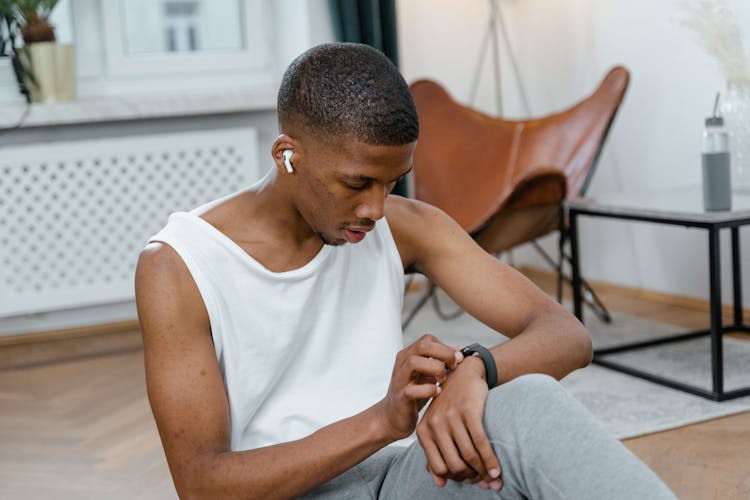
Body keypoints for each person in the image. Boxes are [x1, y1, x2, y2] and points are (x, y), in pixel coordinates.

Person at [135, 42, 675, 499]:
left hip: (399, 478)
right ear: (287, 154)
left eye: (392, 181)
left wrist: (474, 371)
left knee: (525, 408)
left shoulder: (405, 225)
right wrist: (383, 420)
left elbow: (566, 334)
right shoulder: (180, 266)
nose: (375, 208)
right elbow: (202, 484)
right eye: (356, 183)